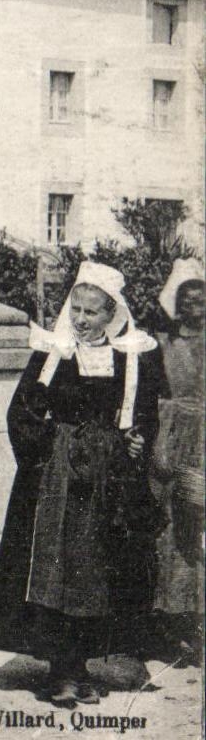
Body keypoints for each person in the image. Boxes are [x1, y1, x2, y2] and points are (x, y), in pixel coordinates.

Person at [0, 260, 163, 707]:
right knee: (55, 568)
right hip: (57, 479)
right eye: (75, 309)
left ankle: (80, 665)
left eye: (92, 312)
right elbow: (21, 412)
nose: (81, 319)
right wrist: (46, 451)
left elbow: (143, 413)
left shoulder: (132, 357)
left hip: (107, 479)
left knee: (96, 567)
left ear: (112, 314)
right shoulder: (52, 352)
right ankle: (59, 670)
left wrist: (137, 440)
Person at [151, 260, 204, 661]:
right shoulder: (164, 342)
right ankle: (171, 619)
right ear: (177, 304)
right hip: (174, 440)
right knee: (172, 528)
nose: (196, 307)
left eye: (202, 299)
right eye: (188, 300)